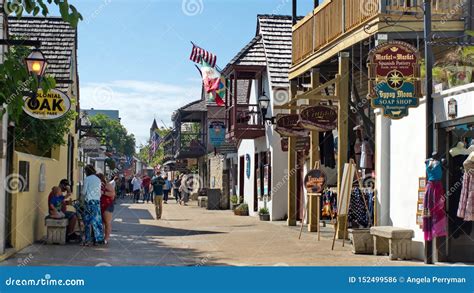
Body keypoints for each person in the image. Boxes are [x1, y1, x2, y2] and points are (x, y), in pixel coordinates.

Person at [81, 165, 105, 246]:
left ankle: (87, 240)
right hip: (97, 202)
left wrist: (81, 197)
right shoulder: (98, 179)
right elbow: (99, 192)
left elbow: (84, 192)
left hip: (89, 202)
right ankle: (98, 239)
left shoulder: (87, 179)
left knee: (88, 222)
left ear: (87, 171)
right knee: (97, 221)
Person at [98, 173, 115, 244]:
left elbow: (113, 194)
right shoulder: (98, 185)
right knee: (101, 223)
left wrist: (103, 192)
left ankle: (106, 239)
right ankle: (100, 237)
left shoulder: (107, 185)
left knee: (107, 222)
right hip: (100, 205)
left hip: (107, 205)